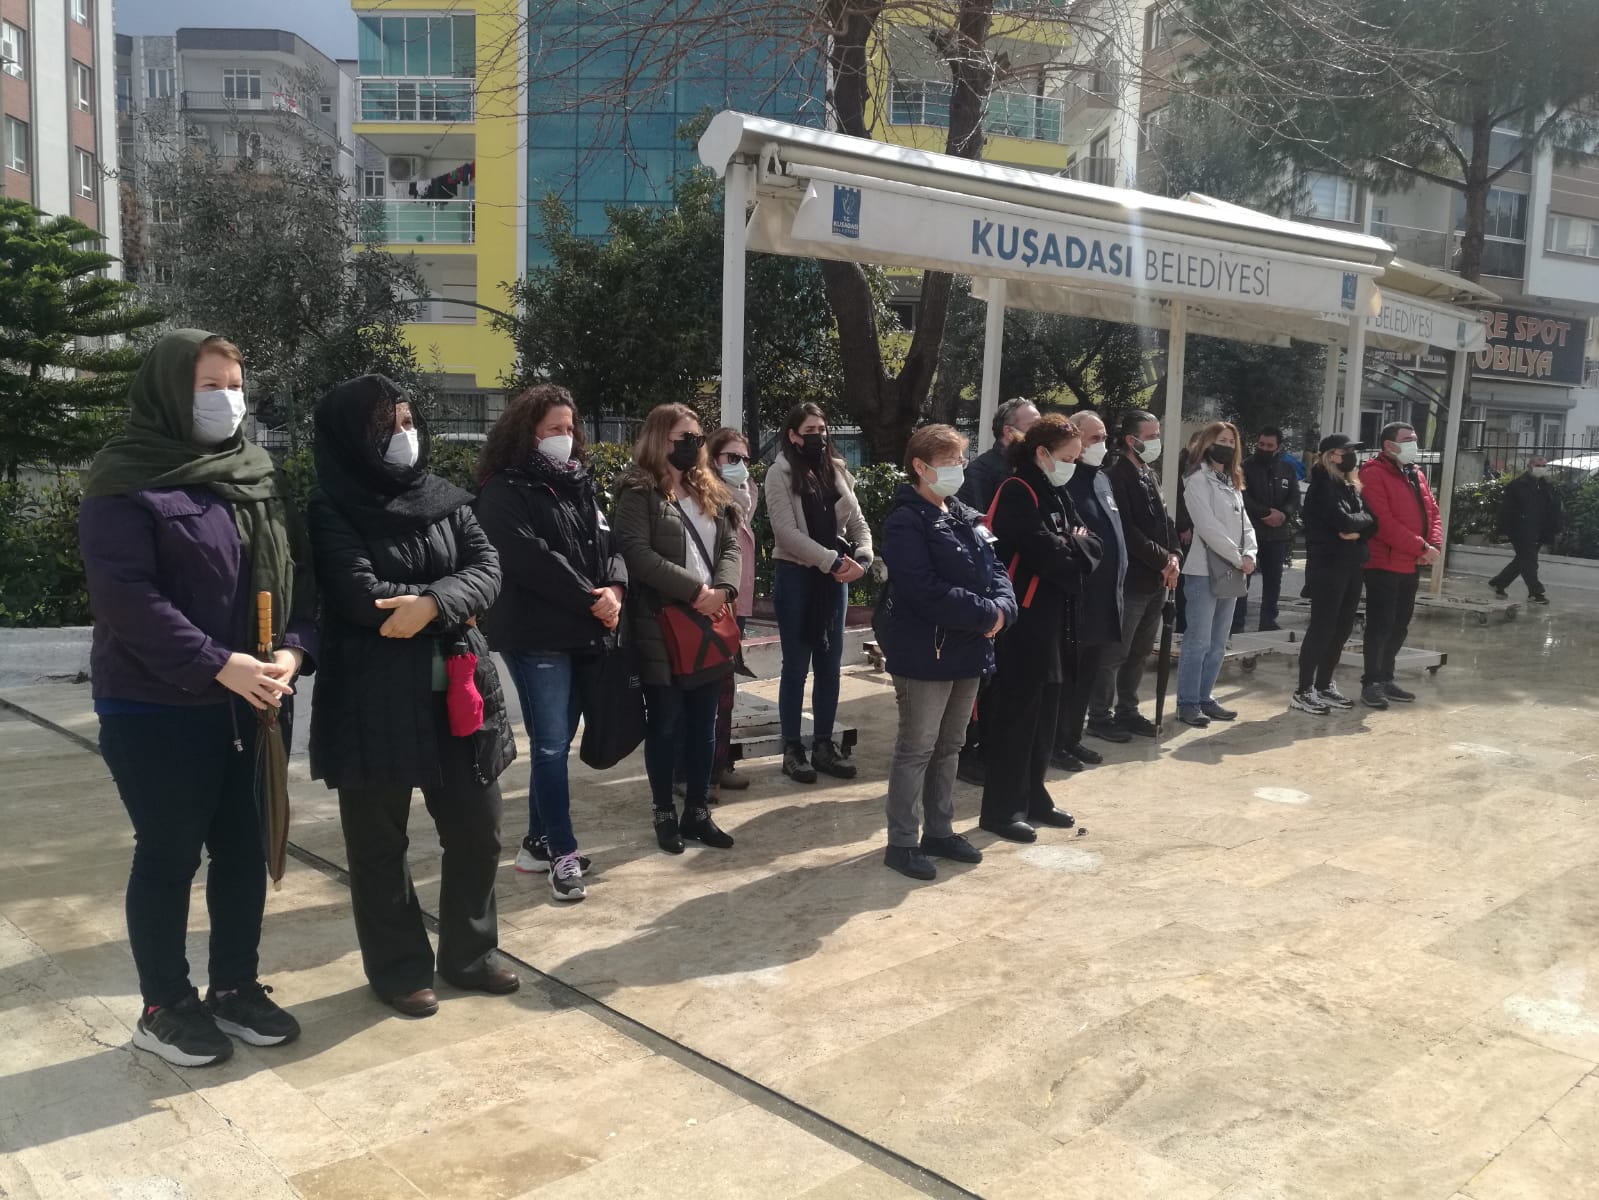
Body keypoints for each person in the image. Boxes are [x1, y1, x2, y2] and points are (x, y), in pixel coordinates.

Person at [79, 330, 315, 1067]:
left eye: (234, 385)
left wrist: (292, 650)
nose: (226, 400)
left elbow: (299, 578)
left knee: (243, 849)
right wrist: (217, 663)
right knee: (169, 853)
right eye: (208, 386)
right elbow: (126, 596)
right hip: (156, 706)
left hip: (255, 702)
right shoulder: (125, 479)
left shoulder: (255, 474)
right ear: (167, 391)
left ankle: (234, 987)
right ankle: (164, 1006)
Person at [309, 375, 519, 1018]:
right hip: (372, 703)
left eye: (406, 422)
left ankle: (470, 954)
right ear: (353, 438)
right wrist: (450, 599)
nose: (403, 436)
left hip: (459, 694)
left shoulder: (445, 499)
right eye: (386, 428)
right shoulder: (330, 506)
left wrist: (431, 603)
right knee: (379, 846)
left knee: (478, 830)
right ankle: (399, 969)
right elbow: (362, 595)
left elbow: (488, 569)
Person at [474, 384, 626, 903]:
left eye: (569, 427)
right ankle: (563, 853)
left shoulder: (577, 482)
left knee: (554, 743)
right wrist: (591, 599)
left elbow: (609, 544)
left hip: (583, 630)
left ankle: (537, 844)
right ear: (527, 433)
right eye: (553, 429)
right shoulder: (503, 489)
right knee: (551, 744)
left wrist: (615, 590)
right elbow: (530, 558)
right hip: (537, 635)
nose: (566, 436)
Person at [877, 424, 1017, 880]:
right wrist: (987, 614)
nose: (959, 468)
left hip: (968, 648)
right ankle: (902, 841)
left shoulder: (963, 513)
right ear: (920, 467)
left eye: (960, 460)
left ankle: (939, 830)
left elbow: (996, 568)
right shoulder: (906, 521)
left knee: (950, 746)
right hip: (926, 652)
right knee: (917, 748)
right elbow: (924, 589)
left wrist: (1003, 608)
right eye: (949, 461)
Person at [613, 404, 742, 853]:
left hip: (708, 621)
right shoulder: (638, 492)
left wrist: (722, 590)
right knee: (666, 723)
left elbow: (730, 546)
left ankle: (698, 812)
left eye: (697, 438)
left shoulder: (709, 487)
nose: (693, 446)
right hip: (661, 626)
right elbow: (636, 554)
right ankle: (664, 812)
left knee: (705, 724)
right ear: (658, 440)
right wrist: (694, 591)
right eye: (683, 439)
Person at [980, 415, 1102, 842]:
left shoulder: (1056, 490)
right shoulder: (1018, 489)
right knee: (1016, 716)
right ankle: (1002, 808)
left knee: (1045, 714)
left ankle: (1034, 795)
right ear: (1042, 453)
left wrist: (1072, 543)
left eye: (1076, 458)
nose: (1073, 464)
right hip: (1023, 621)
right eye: (1068, 457)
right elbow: (1044, 553)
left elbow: (1092, 543)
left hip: (1054, 617)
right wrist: (1073, 542)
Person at [765, 403, 873, 784]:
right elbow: (785, 533)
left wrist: (863, 557)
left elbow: (858, 522)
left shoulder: (837, 471)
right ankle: (793, 749)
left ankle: (824, 745)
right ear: (793, 435)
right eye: (810, 430)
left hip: (834, 581)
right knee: (796, 667)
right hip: (798, 578)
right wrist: (831, 561)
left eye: (822, 429)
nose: (819, 436)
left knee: (830, 665)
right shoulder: (779, 473)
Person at [954, 397, 1041, 783]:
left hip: (1017, 593)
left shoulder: (1030, 470)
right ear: (1009, 431)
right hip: (989, 589)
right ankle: (967, 751)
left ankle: (993, 746)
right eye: (1032, 426)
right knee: (980, 680)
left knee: (1004, 679)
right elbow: (978, 531)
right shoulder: (982, 472)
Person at [1089, 410, 1179, 741]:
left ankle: (1128, 709)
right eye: (1151, 436)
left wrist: (1175, 556)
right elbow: (1127, 530)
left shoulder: (1149, 474)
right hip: (1132, 579)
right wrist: (1163, 560)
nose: (1156, 442)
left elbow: (1165, 521)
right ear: (1131, 440)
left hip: (1156, 579)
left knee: (1140, 652)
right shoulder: (1115, 476)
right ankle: (1100, 715)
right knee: (1116, 652)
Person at [1055, 411, 1125, 772]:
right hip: (1078, 598)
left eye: (1104, 437)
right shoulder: (1065, 480)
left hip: (1104, 599)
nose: (1102, 444)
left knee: (1087, 675)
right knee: (1068, 677)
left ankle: (1072, 738)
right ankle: (1056, 742)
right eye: (1094, 438)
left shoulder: (1101, 478)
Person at [1176, 421, 1257, 728]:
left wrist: (1250, 554)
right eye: (1221, 440)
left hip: (1233, 570)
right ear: (1207, 443)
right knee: (1197, 641)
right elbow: (1207, 527)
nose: (1227, 446)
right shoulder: (1197, 479)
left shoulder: (1232, 482)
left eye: (1231, 441)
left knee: (1218, 641)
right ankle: (1188, 702)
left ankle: (1205, 696)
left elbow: (1246, 525)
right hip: (1203, 571)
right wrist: (1238, 558)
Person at [1357, 422, 1442, 709]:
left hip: (1411, 562)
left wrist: (1433, 545)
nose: (1413, 444)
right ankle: (1371, 682)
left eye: (1414, 439)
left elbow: (1432, 512)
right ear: (1388, 445)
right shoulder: (1372, 473)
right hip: (1384, 562)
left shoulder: (1415, 473)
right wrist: (1422, 547)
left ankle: (1386, 677)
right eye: (1407, 439)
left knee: (1400, 625)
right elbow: (1382, 522)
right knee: (1380, 625)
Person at [1291, 435, 1376, 716]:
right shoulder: (1322, 487)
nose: (1352, 456)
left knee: (1342, 628)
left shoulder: (1350, 486)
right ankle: (1304, 690)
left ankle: (1324, 684)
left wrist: (1359, 531)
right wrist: (1359, 525)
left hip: (1352, 564)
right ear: (1330, 456)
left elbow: (1372, 521)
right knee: (1323, 627)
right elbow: (1344, 521)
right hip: (1327, 566)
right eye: (1346, 451)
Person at [701, 426, 761, 796]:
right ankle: (698, 773)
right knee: (706, 692)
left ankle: (720, 765)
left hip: (737, 602)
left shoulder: (746, 493)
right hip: (710, 601)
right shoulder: (703, 494)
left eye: (745, 459)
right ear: (712, 458)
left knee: (726, 692)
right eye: (732, 457)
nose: (740, 465)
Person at [1234, 427, 1300, 633]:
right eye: (1261, 444)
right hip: (1251, 533)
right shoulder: (1245, 467)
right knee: (1244, 578)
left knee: (1273, 580)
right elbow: (1242, 497)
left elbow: (1294, 497)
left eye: (1269, 446)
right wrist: (1265, 514)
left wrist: (1283, 514)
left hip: (1278, 534)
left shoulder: (1287, 469)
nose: (1264, 448)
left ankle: (1268, 621)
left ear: (1278, 447)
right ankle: (1237, 623)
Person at [1489, 458, 1562, 604]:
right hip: (1521, 531)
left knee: (1522, 561)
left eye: (1543, 465)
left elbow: (1553, 509)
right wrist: (1505, 530)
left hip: (1539, 531)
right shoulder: (1517, 486)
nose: (1541, 468)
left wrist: (1555, 529)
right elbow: (1506, 510)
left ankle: (1499, 582)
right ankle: (1535, 592)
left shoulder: (1546, 487)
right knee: (1530, 561)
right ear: (1529, 466)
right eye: (1538, 465)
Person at [956, 396, 1042, 514]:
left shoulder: (1040, 467)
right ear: (1009, 432)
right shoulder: (979, 472)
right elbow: (973, 519)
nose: (1042, 431)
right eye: (1034, 426)